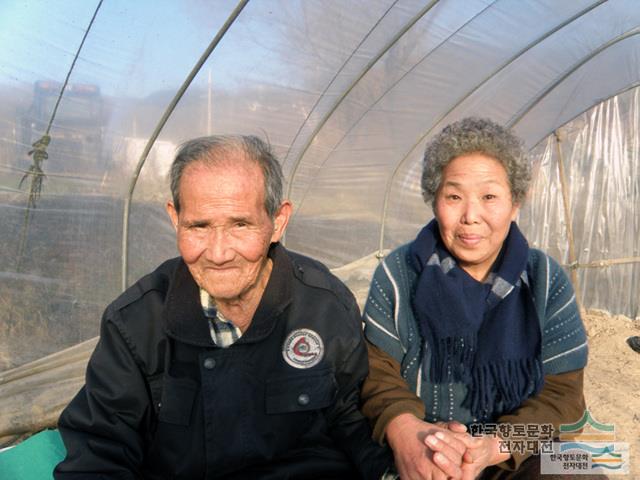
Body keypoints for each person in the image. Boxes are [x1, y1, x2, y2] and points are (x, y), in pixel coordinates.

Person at [54, 135, 394, 479]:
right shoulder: (137, 324)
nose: (218, 254)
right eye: (199, 226)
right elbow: (98, 454)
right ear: (175, 219)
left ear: (278, 221)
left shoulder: (324, 307)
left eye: (240, 225)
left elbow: (355, 421)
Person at [360, 118, 600, 479]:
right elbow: (376, 376)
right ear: (434, 200)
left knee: (577, 464)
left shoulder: (546, 280)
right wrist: (409, 432)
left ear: (515, 203)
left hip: (513, 451)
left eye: (489, 197)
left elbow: (563, 401)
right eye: (453, 196)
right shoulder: (399, 274)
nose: (470, 217)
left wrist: (494, 445)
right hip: (425, 447)